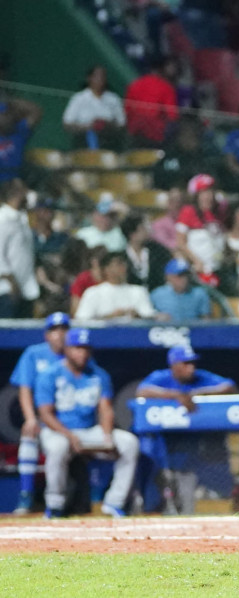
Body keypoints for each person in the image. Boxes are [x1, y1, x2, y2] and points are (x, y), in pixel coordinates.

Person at [36, 328, 140, 518]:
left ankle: (114, 502)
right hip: (59, 431)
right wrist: (69, 436)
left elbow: (105, 408)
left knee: (128, 442)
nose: (82, 353)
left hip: (88, 431)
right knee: (58, 447)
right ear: (66, 349)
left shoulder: (98, 375)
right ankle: (55, 504)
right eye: (76, 348)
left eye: (85, 348)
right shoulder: (50, 374)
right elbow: (45, 414)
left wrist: (107, 435)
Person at [135, 345, 236, 514]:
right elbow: (142, 391)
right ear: (174, 365)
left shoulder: (201, 378)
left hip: (195, 451)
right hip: (164, 450)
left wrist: (197, 394)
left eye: (193, 363)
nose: (192, 367)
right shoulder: (162, 377)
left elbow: (229, 387)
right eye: (186, 363)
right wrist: (176, 396)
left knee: (187, 507)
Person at [8, 312, 71, 514]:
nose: (59, 334)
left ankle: (92, 497)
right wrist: (30, 418)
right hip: (43, 419)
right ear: (46, 334)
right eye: (54, 330)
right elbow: (24, 388)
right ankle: (26, 494)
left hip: (69, 419)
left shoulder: (77, 353)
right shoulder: (34, 353)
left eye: (64, 329)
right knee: (30, 432)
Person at [74, 252, 158, 321]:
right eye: (119, 264)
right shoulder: (93, 292)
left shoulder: (138, 291)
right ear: (106, 269)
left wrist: (138, 316)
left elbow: (150, 316)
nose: (124, 267)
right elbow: (82, 320)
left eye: (124, 264)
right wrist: (109, 317)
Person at [0, 178, 39, 317]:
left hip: (25, 288)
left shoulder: (21, 218)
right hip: (7, 290)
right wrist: (12, 284)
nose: (27, 194)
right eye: (24, 191)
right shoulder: (2, 219)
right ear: (16, 194)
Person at [62, 65, 126, 150]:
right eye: (97, 76)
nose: (100, 79)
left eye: (103, 76)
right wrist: (88, 126)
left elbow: (122, 123)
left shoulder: (113, 99)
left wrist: (107, 125)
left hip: (108, 139)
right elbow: (67, 123)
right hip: (83, 140)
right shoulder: (79, 98)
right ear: (89, 78)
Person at [124, 55, 179, 147]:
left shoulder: (134, 84)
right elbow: (172, 116)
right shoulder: (166, 88)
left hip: (135, 132)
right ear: (162, 69)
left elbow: (127, 110)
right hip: (155, 136)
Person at [120, 213, 172, 291]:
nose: (148, 230)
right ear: (132, 234)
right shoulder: (122, 257)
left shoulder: (160, 252)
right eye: (143, 228)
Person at [0, 97, 43, 183]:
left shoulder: (20, 131)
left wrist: (10, 103)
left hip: (14, 180)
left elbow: (35, 111)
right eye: (3, 115)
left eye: (9, 115)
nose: (7, 118)